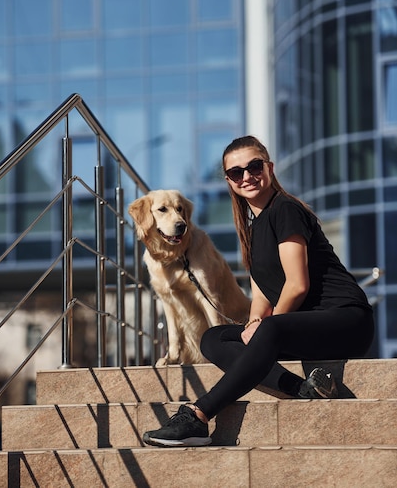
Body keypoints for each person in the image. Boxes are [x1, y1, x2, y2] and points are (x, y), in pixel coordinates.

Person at [143, 135, 375, 447]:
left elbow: (297, 284)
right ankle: (303, 388)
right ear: (229, 180)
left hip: (345, 321)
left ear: (269, 167)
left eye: (254, 166)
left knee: (268, 329)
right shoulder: (253, 227)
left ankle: (197, 416)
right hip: (301, 329)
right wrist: (254, 323)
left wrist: (266, 329)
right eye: (236, 172)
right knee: (213, 338)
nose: (247, 176)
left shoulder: (286, 210)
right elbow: (263, 292)